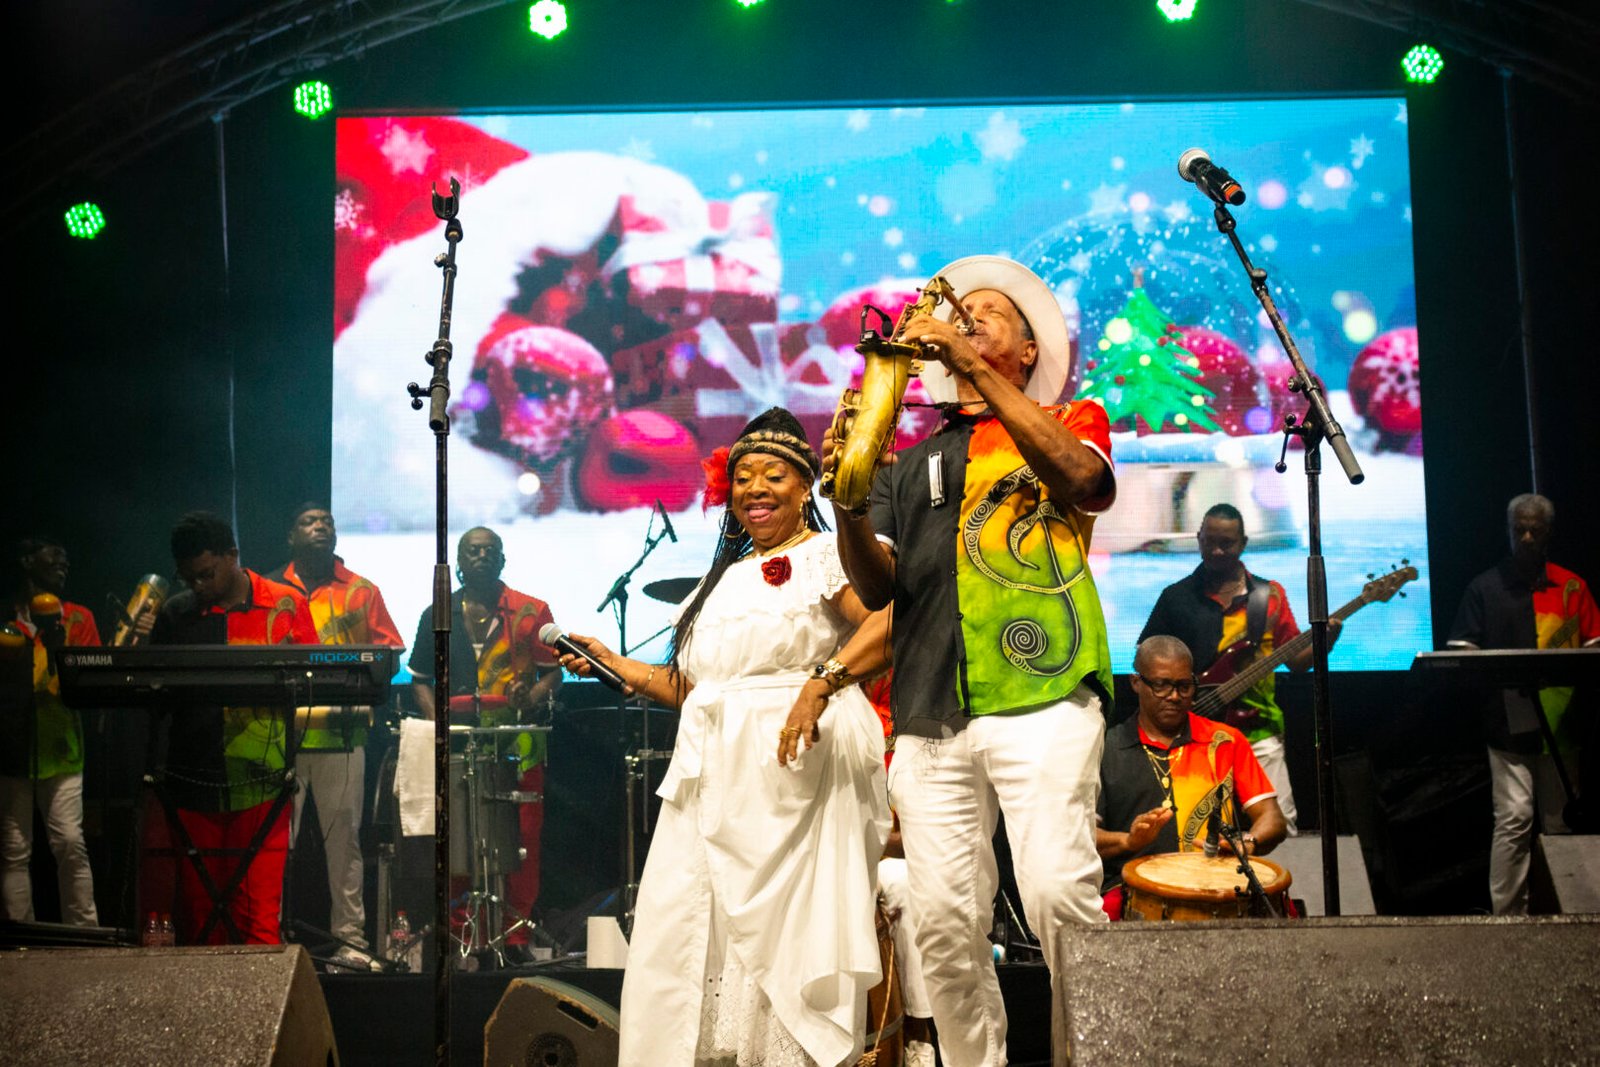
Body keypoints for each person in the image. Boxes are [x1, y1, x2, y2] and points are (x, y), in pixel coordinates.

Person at [828, 256, 1115, 1064]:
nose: (968, 318)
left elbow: (1086, 482)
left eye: (989, 313)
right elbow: (878, 585)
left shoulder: (1070, 418)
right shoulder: (914, 457)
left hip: (1043, 689)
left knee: (1059, 896)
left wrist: (969, 365)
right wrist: (849, 499)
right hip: (928, 707)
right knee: (944, 927)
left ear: (1027, 352)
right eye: (962, 313)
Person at [556, 407, 892, 1067]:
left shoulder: (826, 556)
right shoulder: (720, 582)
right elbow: (699, 687)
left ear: (806, 486)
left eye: (774, 475)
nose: (755, 489)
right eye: (743, 477)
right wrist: (613, 663)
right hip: (713, 774)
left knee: (784, 938)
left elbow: (888, 621)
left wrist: (821, 684)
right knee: (688, 925)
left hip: (793, 774)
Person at [148, 511, 318, 944]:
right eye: (189, 578)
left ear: (232, 555)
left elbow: (315, 680)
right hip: (192, 778)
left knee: (258, 917)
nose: (198, 585)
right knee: (201, 917)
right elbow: (156, 698)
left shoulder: (285, 603)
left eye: (206, 574)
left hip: (262, 781)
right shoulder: (176, 613)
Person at [1138, 502, 1339, 834]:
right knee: (1191, 826)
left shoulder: (1269, 596)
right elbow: (1146, 657)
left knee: (1280, 827)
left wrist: (1325, 642)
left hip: (1258, 729)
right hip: (1194, 732)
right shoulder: (1175, 597)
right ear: (1199, 539)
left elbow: (1296, 662)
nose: (1217, 551)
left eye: (1226, 543)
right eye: (1210, 541)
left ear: (1243, 543)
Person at [408, 526, 561, 950]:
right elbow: (419, 680)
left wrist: (530, 697)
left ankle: (515, 937)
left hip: (519, 744)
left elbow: (554, 674)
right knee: (459, 840)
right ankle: (465, 938)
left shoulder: (532, 610)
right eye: (472, 551)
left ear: (503, 560)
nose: (481, 556)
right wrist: (437, 723)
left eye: (490, 550)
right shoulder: (438, 613)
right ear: (458, 562)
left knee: (523, 842)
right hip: (460, 746)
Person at [1448, 493, 1600, 914]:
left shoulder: (1572, 587)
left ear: (1549, 532)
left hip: (1562, 726)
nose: (1528, 538)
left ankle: (1568, 911)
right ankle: (1509, 918)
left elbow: (1595, 646)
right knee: (1514, 819)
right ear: (1509, 531)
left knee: (1559, 822)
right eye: (1520, 530)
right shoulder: (1485, 587)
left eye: (1535, 530)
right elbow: (1462, 653)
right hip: (1507, 728)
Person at [267, 502, 404, 968]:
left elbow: (390, 655)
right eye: (309, 521)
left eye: (327, 521)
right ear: (291, 536)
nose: (320, 526)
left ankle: (350, 942)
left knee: (344, 845)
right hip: (279, 737)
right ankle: (268, 935)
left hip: (342, 737)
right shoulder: (269, 589)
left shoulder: (362, 591)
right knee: (274, 845)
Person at [1096, 635, 1288, 917]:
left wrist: (1248, 842)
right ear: (1136, 682)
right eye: (1161, 685)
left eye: (1184, 686)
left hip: (1219, 887)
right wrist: (1129, 841)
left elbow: (1272, 818)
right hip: (1136, 892)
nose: (1174, 696)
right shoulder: (1106, 748)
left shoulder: (1225, 741)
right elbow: (1082, 837)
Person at [1, 536, 100, 926]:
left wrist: (59, 649)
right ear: (27, 561)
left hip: (62, 748)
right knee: (13, 849)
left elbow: (90, 684)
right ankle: (19, 936)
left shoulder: (78, 618)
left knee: (70, 842)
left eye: (66, 554)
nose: (63, 559)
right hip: (11, 748)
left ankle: (85, 932)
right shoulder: (5, 620)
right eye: (53, 552)